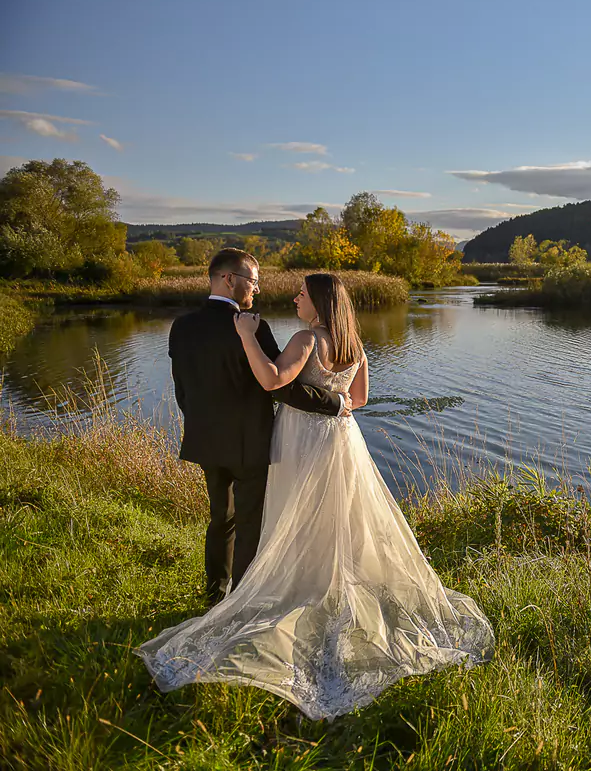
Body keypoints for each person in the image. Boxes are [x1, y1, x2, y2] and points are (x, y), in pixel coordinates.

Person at [138, 272, 494, 720]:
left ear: (319, 302)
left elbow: (271, 381)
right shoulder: (355, 345)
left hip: (302, 438)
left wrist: (248, 336)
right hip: (341, 438)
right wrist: (334, 397)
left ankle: (291, 586)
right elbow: (359, 398)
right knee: (335, 514)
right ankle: (325, 582)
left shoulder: (306, 338)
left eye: (301, 294)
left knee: (294, 511)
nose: (295, 298)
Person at [166, 248, 345, 606]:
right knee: (250, 525)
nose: (257, 289)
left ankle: (214, 595)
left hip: (205, 440)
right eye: (253, 281)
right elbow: (282, 387)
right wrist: (334, 403)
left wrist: (201, 422)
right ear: (230, 279)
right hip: (250, 443)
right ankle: (241, 602)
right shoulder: (253, 326)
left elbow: (182, 389)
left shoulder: (181, 326)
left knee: (221, 519)